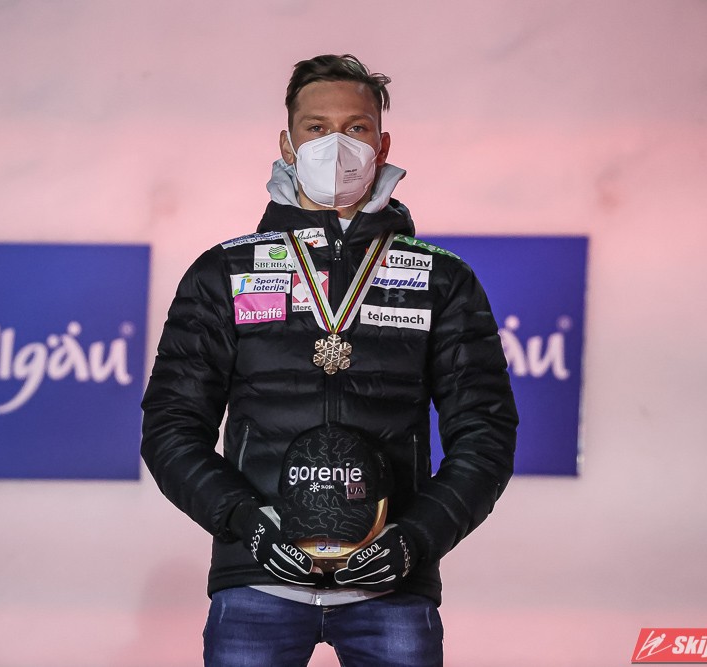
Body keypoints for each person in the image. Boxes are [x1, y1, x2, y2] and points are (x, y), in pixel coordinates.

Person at [141, 53, 518, 667]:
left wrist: (416, 539)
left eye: (355, 128)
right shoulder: (224, 272)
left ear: (382, 144)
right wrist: (243, 521)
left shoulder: (441, 280)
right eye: (316, 128)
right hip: (257, 582)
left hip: (392, 587)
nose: (336, 144)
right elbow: (170, 427)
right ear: (287, 144)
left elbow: (486, 434)